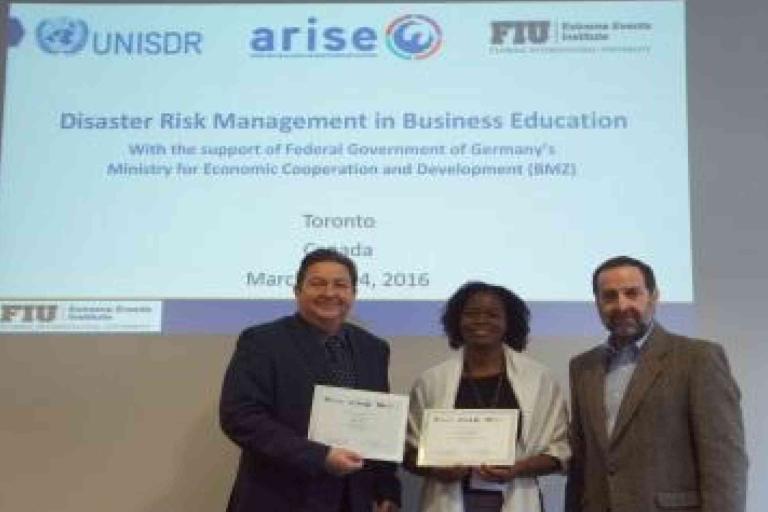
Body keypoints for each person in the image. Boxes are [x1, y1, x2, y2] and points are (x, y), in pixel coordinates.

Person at [219, 248, 400, 512]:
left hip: (352, 500)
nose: (329, 293)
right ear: (297, 291)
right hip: (279, 498)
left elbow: (378, 424)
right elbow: (241, 417)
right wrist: (320, 457)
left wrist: (387, 490)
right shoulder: (262, 342)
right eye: (317, 283)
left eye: (340, 285)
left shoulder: (373, 348)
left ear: (353, 293)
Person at [565, 256, 748, 512]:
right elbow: (581, 462)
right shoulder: (583, 367)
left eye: (632, 293)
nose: (621, 305)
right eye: (609, 296)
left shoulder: (698, 358)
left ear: (653, 297)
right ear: (597, 303)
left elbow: (724, 461)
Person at [405, 281, 570, 512]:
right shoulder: (431, 381)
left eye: (492, 314)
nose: (481, 321)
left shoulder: (540, 380)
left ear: (508, 322)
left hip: (517, 500)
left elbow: (559, 451)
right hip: (447, 500)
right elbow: (409, 452)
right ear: (457, 321)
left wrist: (518, 468)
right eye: (471, 314)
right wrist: (436, 468)